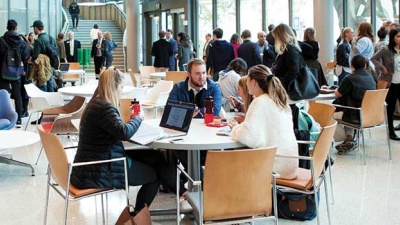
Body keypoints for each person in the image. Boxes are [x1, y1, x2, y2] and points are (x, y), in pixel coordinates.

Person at [70, 67, 183, 213]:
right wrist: (138, 117)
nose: (122, 91)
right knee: (154, 176)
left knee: (159, 156)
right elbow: (124, 132)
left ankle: (181, 191)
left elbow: (117, 129)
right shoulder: (104, 107)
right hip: (102, 169)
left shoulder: (96, 103)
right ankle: (138, 216)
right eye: (121, 87)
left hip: (93, 164)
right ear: (113, 86)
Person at [230, 65, 299, 180]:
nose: (246, 84)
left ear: (253, 82)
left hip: (274, 168)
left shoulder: (260, 102)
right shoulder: (279, 100)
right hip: (288, 164)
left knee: (229, 163)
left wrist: (235, 128)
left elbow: (250, 138)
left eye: (247, 80)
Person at [168, 58, 222, 179]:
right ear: (189, 74)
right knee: (171, 148)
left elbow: (214, 112)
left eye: (204, 73)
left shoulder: (214, 88)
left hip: (207, 135)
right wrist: (190, 112)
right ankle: (200, 181)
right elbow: (171, 112)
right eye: (197, 73)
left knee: (217, 150)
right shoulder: (178, 88)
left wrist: (186, 112)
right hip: (184, 135)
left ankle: (195, 179)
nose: (202, 77)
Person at [335, 55, 377, 154]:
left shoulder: (350, 78)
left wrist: (336, 89)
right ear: (365, 65)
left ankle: (347, 138)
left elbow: (338, 94)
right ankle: (349, 139)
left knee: (331, 114)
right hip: (371, 115)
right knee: (351, 108)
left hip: (356, 116)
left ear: (351, 65)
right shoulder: (370, 77)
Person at [371, 28, 400, 140]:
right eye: (398, 36)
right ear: (393, 38)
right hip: (390, 83)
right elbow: (373, 58)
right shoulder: (386, 50)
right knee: (390, 108)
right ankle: (391, 132)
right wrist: (382, 68)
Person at [0, 19, 30, 126]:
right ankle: (18, 118)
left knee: (2, 94)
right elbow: (26, 57)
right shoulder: (21, 42)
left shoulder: (1, 40)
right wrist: (24, 69)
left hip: (3, 72)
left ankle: (2, 116)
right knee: (17, 95)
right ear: (16, 27)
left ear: (7, 27)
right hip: (16, 72)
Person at [271, 23, 302, 102]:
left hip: (288, 89)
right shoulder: (287, 48)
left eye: (276, 37)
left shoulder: (290, 48)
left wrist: (282, 84)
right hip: (285, 88)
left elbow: (294, 69)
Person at [31, 20, 57, 92]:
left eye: (34, 28)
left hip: (42, 68)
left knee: (43, 88)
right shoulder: (51, 38)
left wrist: (31, 59)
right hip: (50, 67)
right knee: (50, 87)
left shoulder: (38, 41)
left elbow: (35, 56)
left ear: (36, 28)